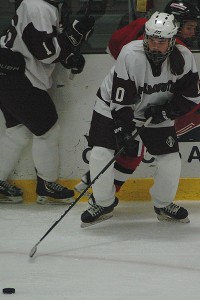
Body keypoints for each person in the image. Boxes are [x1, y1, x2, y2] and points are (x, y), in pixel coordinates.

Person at [80, 11, 200, 227]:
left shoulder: (184, 58)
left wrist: (165, 112)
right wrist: (123, 131)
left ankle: (163, 205)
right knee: (100, 153)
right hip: (112, 107)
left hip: (155, 111)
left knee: (170, 160)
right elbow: (120, 101)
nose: (155, 45)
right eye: (151, 39)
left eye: (161, 41)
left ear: (172, 40)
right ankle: (104, 203)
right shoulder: (130, 54)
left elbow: (191, 97)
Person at [0, 0, 94, 204]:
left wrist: (68, 55)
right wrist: (73, 35)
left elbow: (41, 43)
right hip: (19, 77)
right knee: (48, 129)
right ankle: (47, 185)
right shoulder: (39, 7)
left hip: (8, 73)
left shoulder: (44, 4)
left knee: (18, 131)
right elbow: (47, 53)